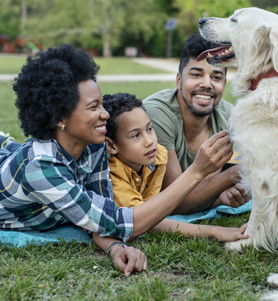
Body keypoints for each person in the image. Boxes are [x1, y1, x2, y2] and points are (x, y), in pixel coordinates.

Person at [0, 44, 234, 276]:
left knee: (4, 149)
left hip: (5, 162)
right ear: (59, 117)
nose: (105, 114)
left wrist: (114, 247)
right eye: (94, 107)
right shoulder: (41, 168)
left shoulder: (94, 144)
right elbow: (124, 221)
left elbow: (99, 210)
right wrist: (197, 172)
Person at [102, 92, 248, 241]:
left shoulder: (158, 156)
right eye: (135, 136)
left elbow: (158, 206)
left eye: (149, 129)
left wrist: (218, 200)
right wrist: (213, 231)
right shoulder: (112, 174)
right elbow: (143, 221)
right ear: (111, 145)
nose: (149, 141)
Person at [143, 35, 249, 215]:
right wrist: (234, 175)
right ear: (178, 80)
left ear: (223, 84)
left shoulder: (229, 117)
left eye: (216, 77)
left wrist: (220, 197)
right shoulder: (156, 115)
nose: (207, 84)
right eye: (196, 74)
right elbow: (175, 202)